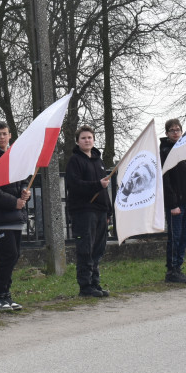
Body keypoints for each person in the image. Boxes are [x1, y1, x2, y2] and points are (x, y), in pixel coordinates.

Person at [0, 121, 30, 310]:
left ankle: (6, 295)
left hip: (16, 216)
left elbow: (23, 179)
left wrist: (24, 191)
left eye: (5, 133)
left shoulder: (15, 156)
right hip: (0, 216)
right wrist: (13, 202)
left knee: (14, 255)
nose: (2, 137)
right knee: (8, 255)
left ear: (10, 135)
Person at [64, 125, 111, 297]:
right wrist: (97, 185)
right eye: (83, 138)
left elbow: (104, 189)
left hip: (100, 211)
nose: (87, 140)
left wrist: (109, 211)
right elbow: (75, 185)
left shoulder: (99, 161)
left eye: (89, 137)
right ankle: (85, 286)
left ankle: (95, 283)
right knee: (85, 249)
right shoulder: (74, 161)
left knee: (98, 250)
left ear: (94, 140)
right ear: (78, 141)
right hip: (83, 211)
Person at [160, 118, 186, 284]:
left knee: (184, 237)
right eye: (172, 130)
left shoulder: (185, 149)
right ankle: (172, 270)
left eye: (178, 130)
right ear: (167, 133)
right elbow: (166, 180)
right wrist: (172, 204)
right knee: (175, 237)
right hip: (175, 202)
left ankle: (178, 267)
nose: (176, 133)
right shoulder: (165, 151)